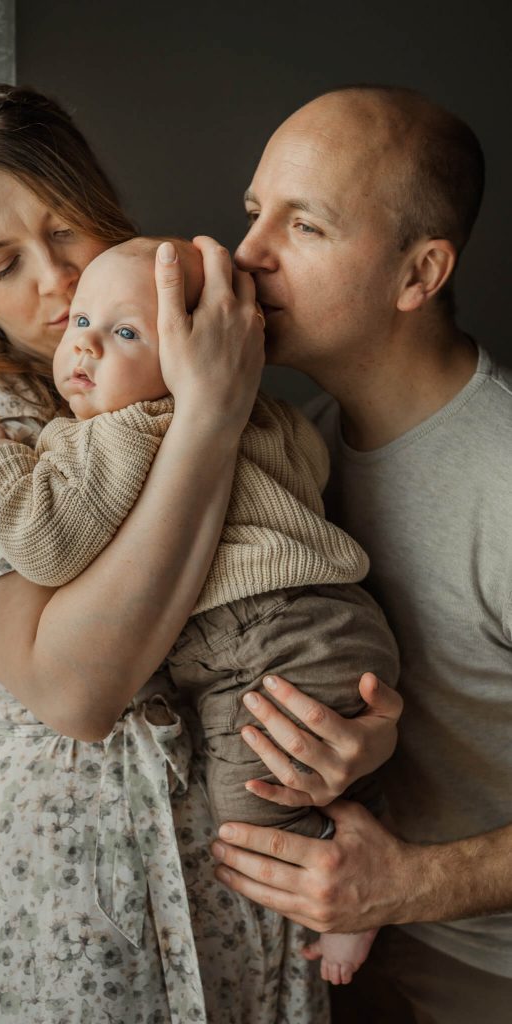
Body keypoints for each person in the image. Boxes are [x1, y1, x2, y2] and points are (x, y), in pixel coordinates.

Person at [0, 83, 330, 1023]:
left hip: (235, 842)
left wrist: (343, 736)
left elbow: (285, 569)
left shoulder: (160, 344)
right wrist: (208, 411)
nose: (52, 282)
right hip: (75, 880)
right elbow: (77, 694)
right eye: (2, 265)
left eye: (68, 231)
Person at [0, 234, 400, 986]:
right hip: (335, 620)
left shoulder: (124, 430)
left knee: (252, 807)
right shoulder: (268, 413)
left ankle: (353, 903)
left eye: (124, 332)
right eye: (81, 327)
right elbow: (309, 471)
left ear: (189, 353)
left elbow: (50, 544)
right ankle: (357, 826)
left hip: (262, 639)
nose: (83, 342)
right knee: (298, 764)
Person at [209, 85, 512, 1023]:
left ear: (417, 275)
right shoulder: (295, 450)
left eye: (305, 226)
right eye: (256, 213)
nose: (246, 256)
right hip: (333, 958)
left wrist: (406, 886)